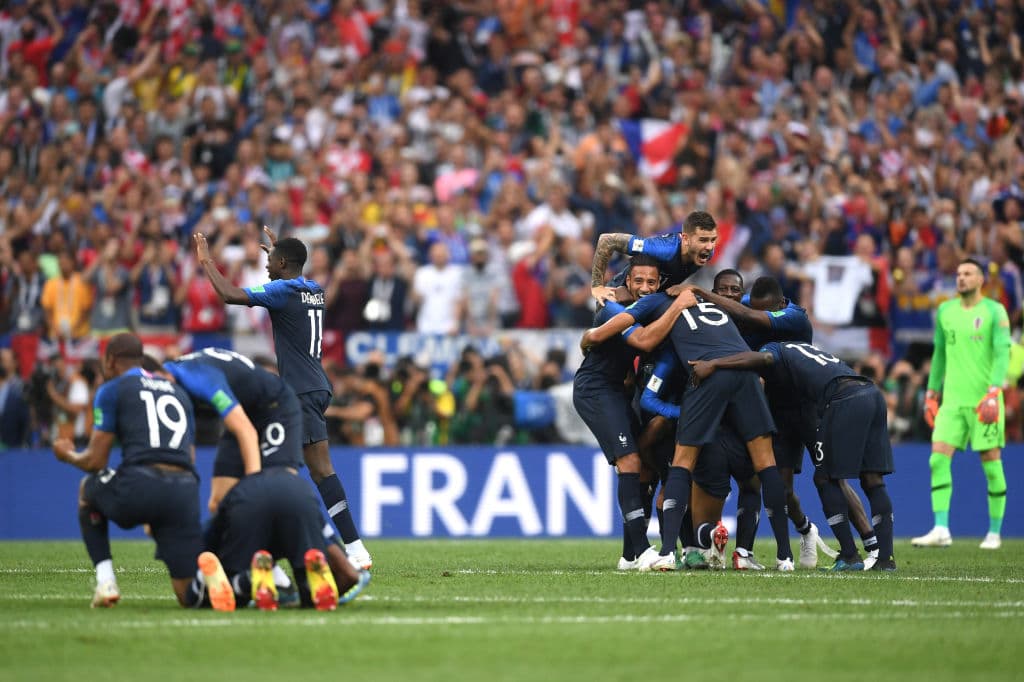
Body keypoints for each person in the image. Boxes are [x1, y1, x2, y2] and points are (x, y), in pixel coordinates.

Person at [194, 227, 372, 570]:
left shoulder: (282, 291)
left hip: (299, 391)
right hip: (316, 386)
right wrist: (278, 251)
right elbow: (291, 278)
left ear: (285, 263)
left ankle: (337, 551)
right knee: (300, 469)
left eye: (271, 261)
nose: (266, 266)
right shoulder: (314, 289)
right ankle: (345, 549)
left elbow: (231, 295)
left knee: (297, 470)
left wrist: (206, 262)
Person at [142, 349, 369, 607]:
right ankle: (276, 579)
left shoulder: (198, 377)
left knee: (281, 487)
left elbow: (246, 431)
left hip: (276, 408)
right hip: (244, 417)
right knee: (219, 503)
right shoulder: (175, 383)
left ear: (161, 373)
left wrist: (252, 490)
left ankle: (345, 566)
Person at [585, 293, 794, 571]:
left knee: (683, 462)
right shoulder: (716, 304)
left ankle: (669, 552)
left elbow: (621, 317)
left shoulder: (657, 302)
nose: (645, 289)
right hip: (745, 370)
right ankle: (785, 557)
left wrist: (598, 305)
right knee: (766, 465)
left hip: (706, 371)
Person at [690, 272, 875, 568]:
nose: (756, 313)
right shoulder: (748, 301)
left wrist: (704, 293)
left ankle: (871, 544)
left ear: (778, 304)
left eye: (764, 310)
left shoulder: (794, 317)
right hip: (773, 409)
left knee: (830, 475)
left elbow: (749, 316)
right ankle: (804, 530)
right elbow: (736, 301)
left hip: (806, 406)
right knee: (780, 486)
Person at [50, 333, 233, 610]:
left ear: (110, 360)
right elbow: (190, 455)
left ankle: (106, 582)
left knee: (87, 490)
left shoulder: (112, 389)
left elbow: (96, 461)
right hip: (183, 490)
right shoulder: (179, 392)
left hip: (140, 483)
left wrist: (67, 455)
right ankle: (238, 586)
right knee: (187, 597)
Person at [689, 341, 897, 572]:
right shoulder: (801, 348)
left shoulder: (773, 350)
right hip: (871, 392)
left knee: (825, 478)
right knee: (873, 480)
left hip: (842, 399)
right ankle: (885, 559)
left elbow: (763, 359)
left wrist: (714, 364)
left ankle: (849, 555)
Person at [573, 255, 696, 570]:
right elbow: (644, 340)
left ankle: (629, 555)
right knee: (628, 459)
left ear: (658, 284)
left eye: (651, 282)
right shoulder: (613, 307)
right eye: (638, 281)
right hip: (595, 389)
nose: (644, 287)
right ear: (627, 281)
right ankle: (642, 551)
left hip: (617, 389)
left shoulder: (648, 307)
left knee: (642, 467)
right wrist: (678, 306)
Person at [913, 259, 1011, 550]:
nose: (961, 278)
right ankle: (941, 528)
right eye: (958, 273)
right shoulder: (945, 310)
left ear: (982, 279)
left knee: (992, 465)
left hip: (984, 401)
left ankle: (994, 532)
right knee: (937, 459)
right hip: (952, 402)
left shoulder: (995, 311)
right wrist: (931, 393)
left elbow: (1002, 353)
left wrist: (994, 392)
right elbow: (940, 354)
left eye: (968, 273)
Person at [590, 210, 718, 304]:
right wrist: (597, 286)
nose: (709, 246)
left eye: (713, 240)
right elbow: (607, 240)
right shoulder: (663, 249)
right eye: (703, 240)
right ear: (685, 239)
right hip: (617, 296)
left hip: (650, 302)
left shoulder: (705, 253)